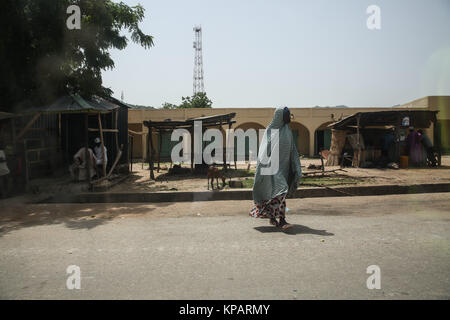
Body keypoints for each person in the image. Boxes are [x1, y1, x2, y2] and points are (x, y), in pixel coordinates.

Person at [250, 107, 302, 230]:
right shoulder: (271, 130)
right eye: (287, 114)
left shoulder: (287, 130)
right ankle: (282, 220)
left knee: (275, 194)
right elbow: (264, 151)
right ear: (280, 116)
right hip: (271, 168)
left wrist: (296, 165)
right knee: (282, 190)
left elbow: (292, 149)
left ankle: (272, 218)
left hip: (283, 168)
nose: (289, 116)